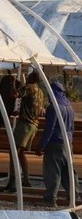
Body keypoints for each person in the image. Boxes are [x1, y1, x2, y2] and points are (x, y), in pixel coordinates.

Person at [37, 80, 76, 208]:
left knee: (53, 171)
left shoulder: (54, 107)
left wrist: (42, 145)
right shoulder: (69, 106)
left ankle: (50, 199)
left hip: (55, 143)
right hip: (67, 143)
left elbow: (50, 128)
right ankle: (73, 196)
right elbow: (72, 127)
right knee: (68, 171)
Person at [4, 72, 44, 192]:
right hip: (34, 125)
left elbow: (14, 95)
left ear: (33, 78)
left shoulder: (29, 87)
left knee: (13, 151)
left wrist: (12, 82)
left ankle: (12, 182)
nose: (27, 77)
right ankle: (26, 179)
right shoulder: (41, 92)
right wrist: (20, 111)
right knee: (20, 153)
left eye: (30, 75)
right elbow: (38, 110)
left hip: (25, 124)